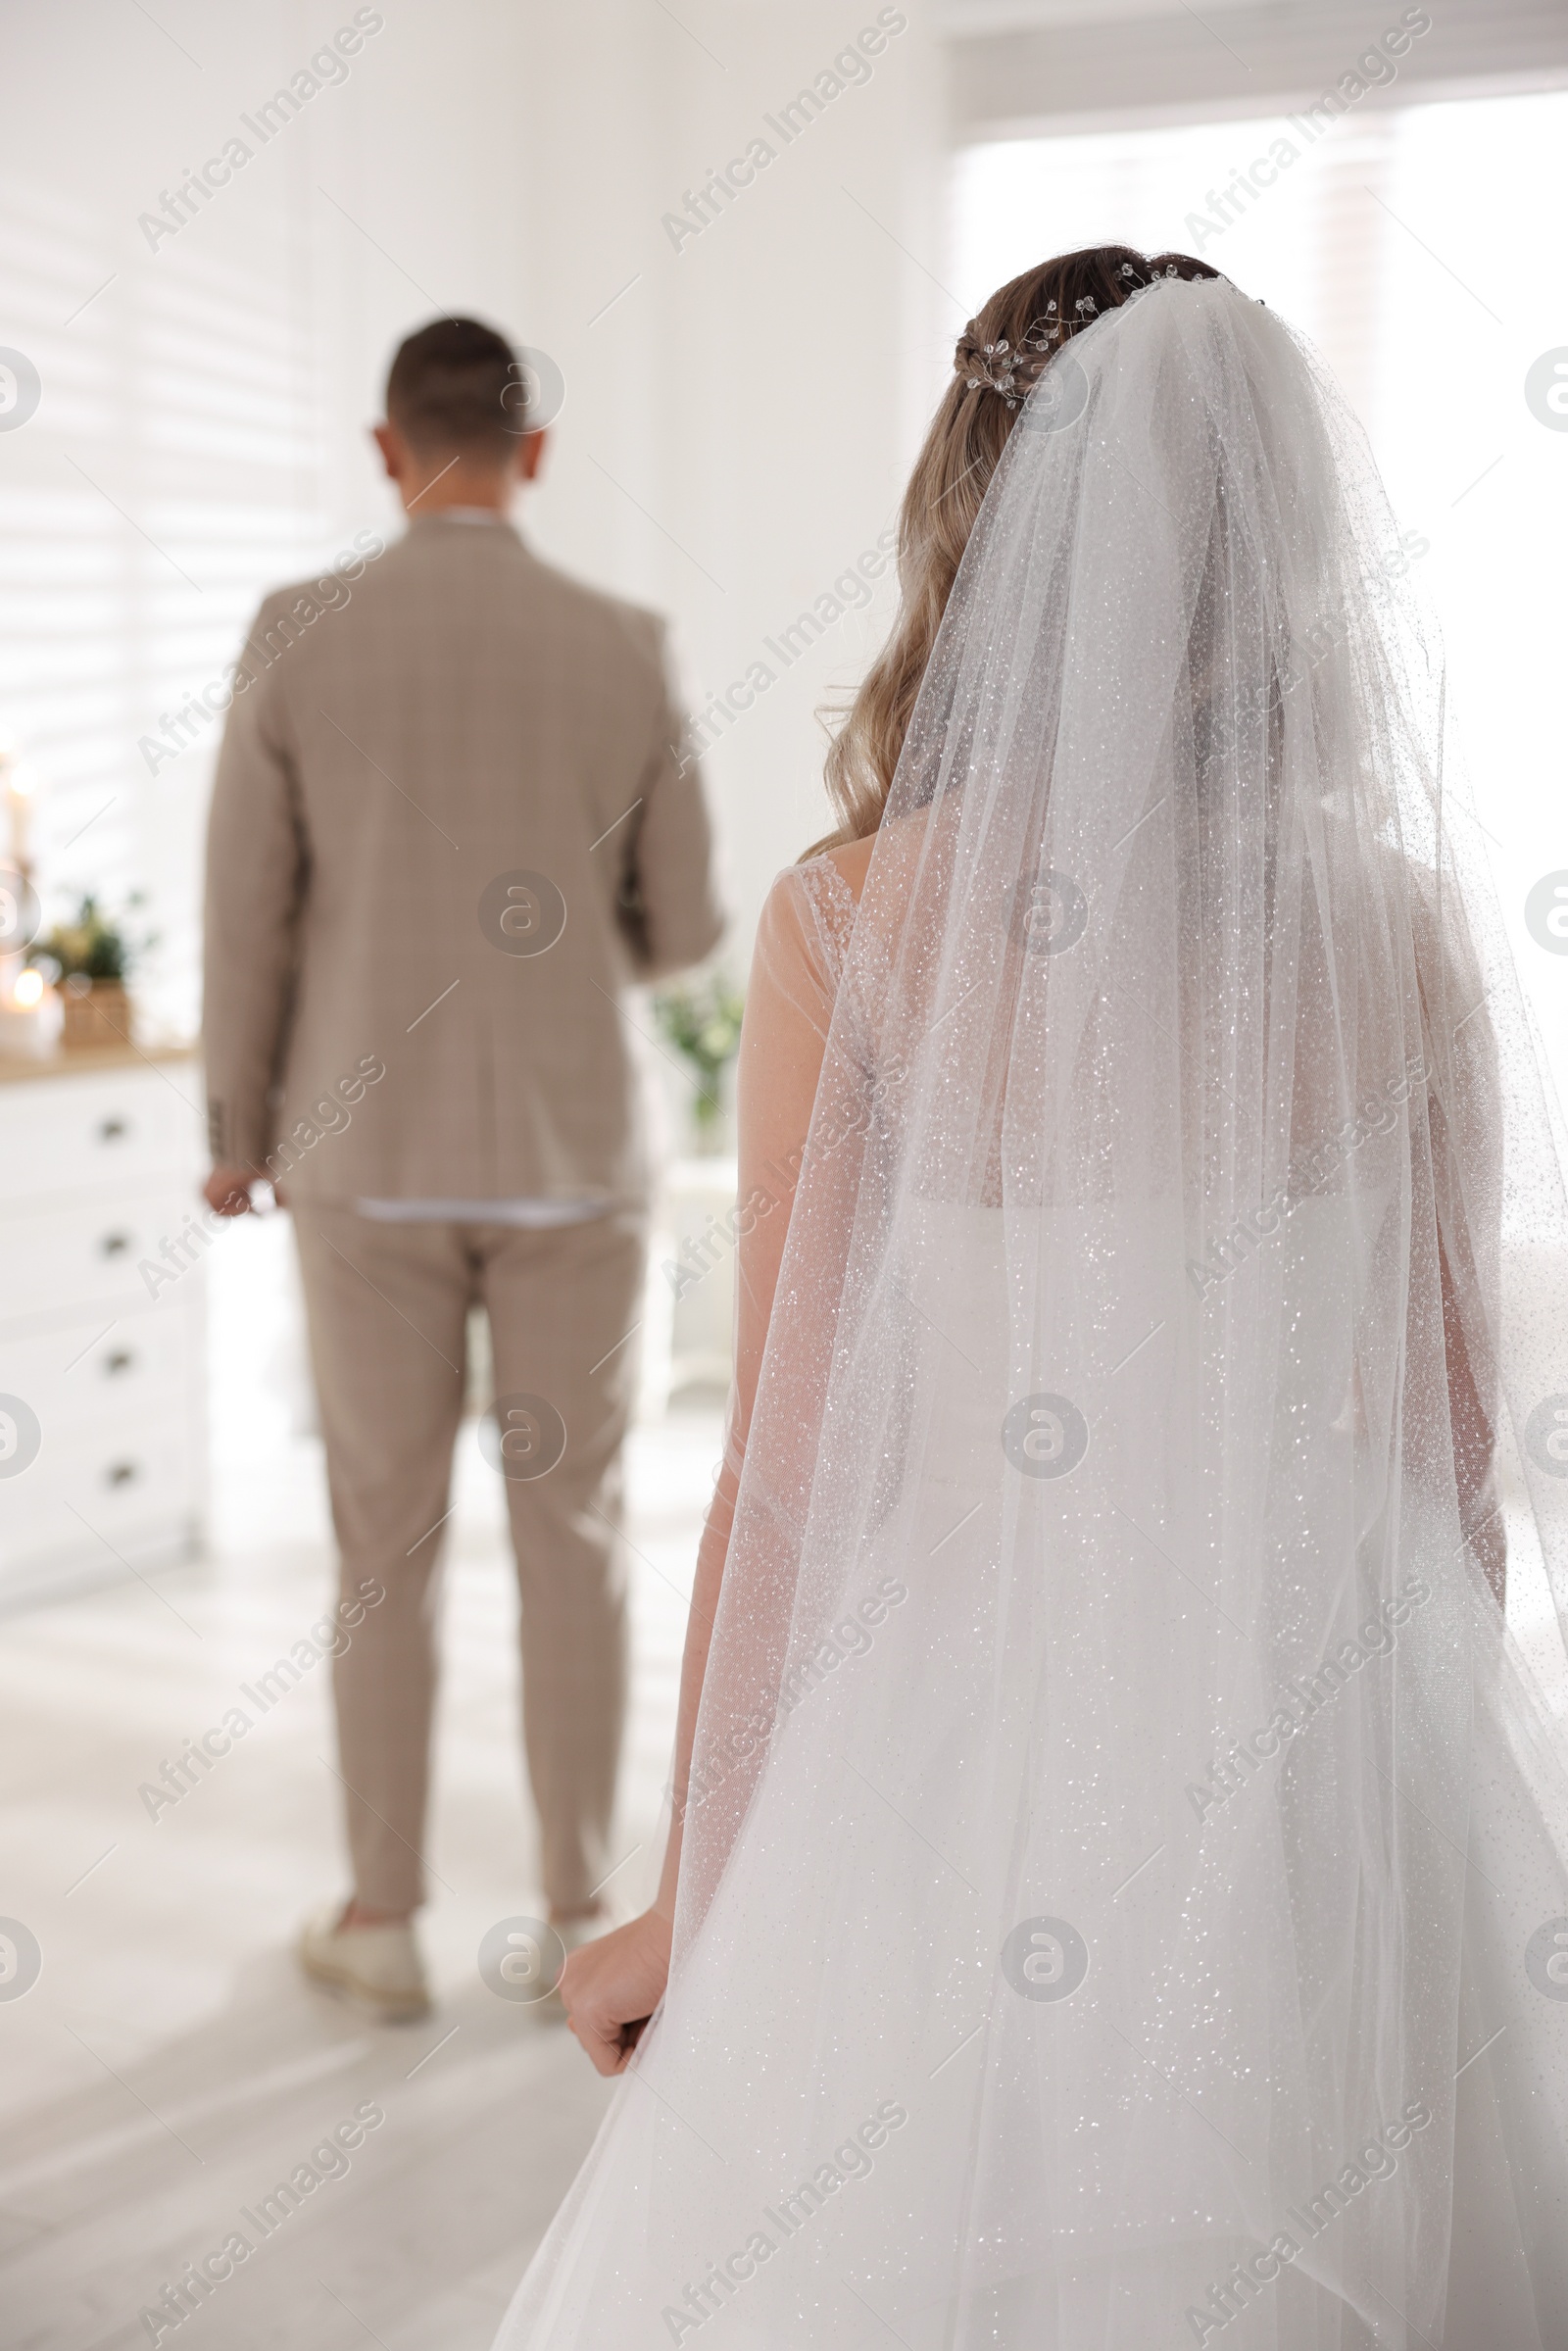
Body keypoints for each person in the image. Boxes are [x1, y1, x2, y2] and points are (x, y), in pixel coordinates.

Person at [491, 253, 1568, 2346]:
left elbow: (791, 1464)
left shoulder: (849, 923)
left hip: (957, 1712)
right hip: (1325, 1699)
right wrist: (1404, 1802)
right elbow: (1448, 1458)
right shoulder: (1404, 937)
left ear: (972, 525)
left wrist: (692, 1908)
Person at [202, 316, 724, 2021]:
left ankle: (380, 1919)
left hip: (368, 1161)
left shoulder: (298, 633)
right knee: (574, 1534)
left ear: (383, 447)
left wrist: (231, 1131)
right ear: (536, 451)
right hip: (579, 1155)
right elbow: (691, 920)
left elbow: (245, 916)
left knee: (382, 1547)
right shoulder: (624, 643)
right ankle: (578, 1912)